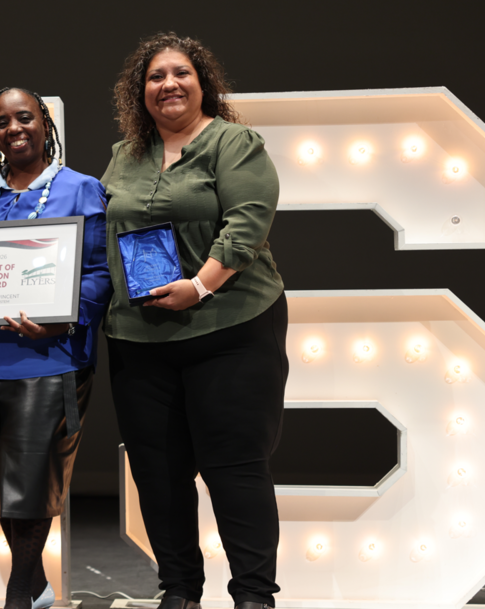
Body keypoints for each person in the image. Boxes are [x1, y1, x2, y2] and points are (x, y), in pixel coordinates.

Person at [102, 33, 288, 609]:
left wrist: (200, 285)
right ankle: (179, 592)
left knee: (234, 469)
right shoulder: (123, 155)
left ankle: (254, 596)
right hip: (140, 337)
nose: (168, 85)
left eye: (180, 73)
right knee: (158, 478)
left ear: (202, 81)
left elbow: (248, 220)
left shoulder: (235, 143)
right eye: (155, 77)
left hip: (231, 328)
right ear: (140, 93)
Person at [0, 88, 112, 609]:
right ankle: (39, 586)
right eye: (2, 122)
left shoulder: (82, 189)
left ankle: (18, 595)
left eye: (24, 117)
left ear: (45, 123)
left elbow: (98, 274)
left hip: (53, 357)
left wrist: (60, 323)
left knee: (32, 484)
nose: (13, 128)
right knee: (0, 487)